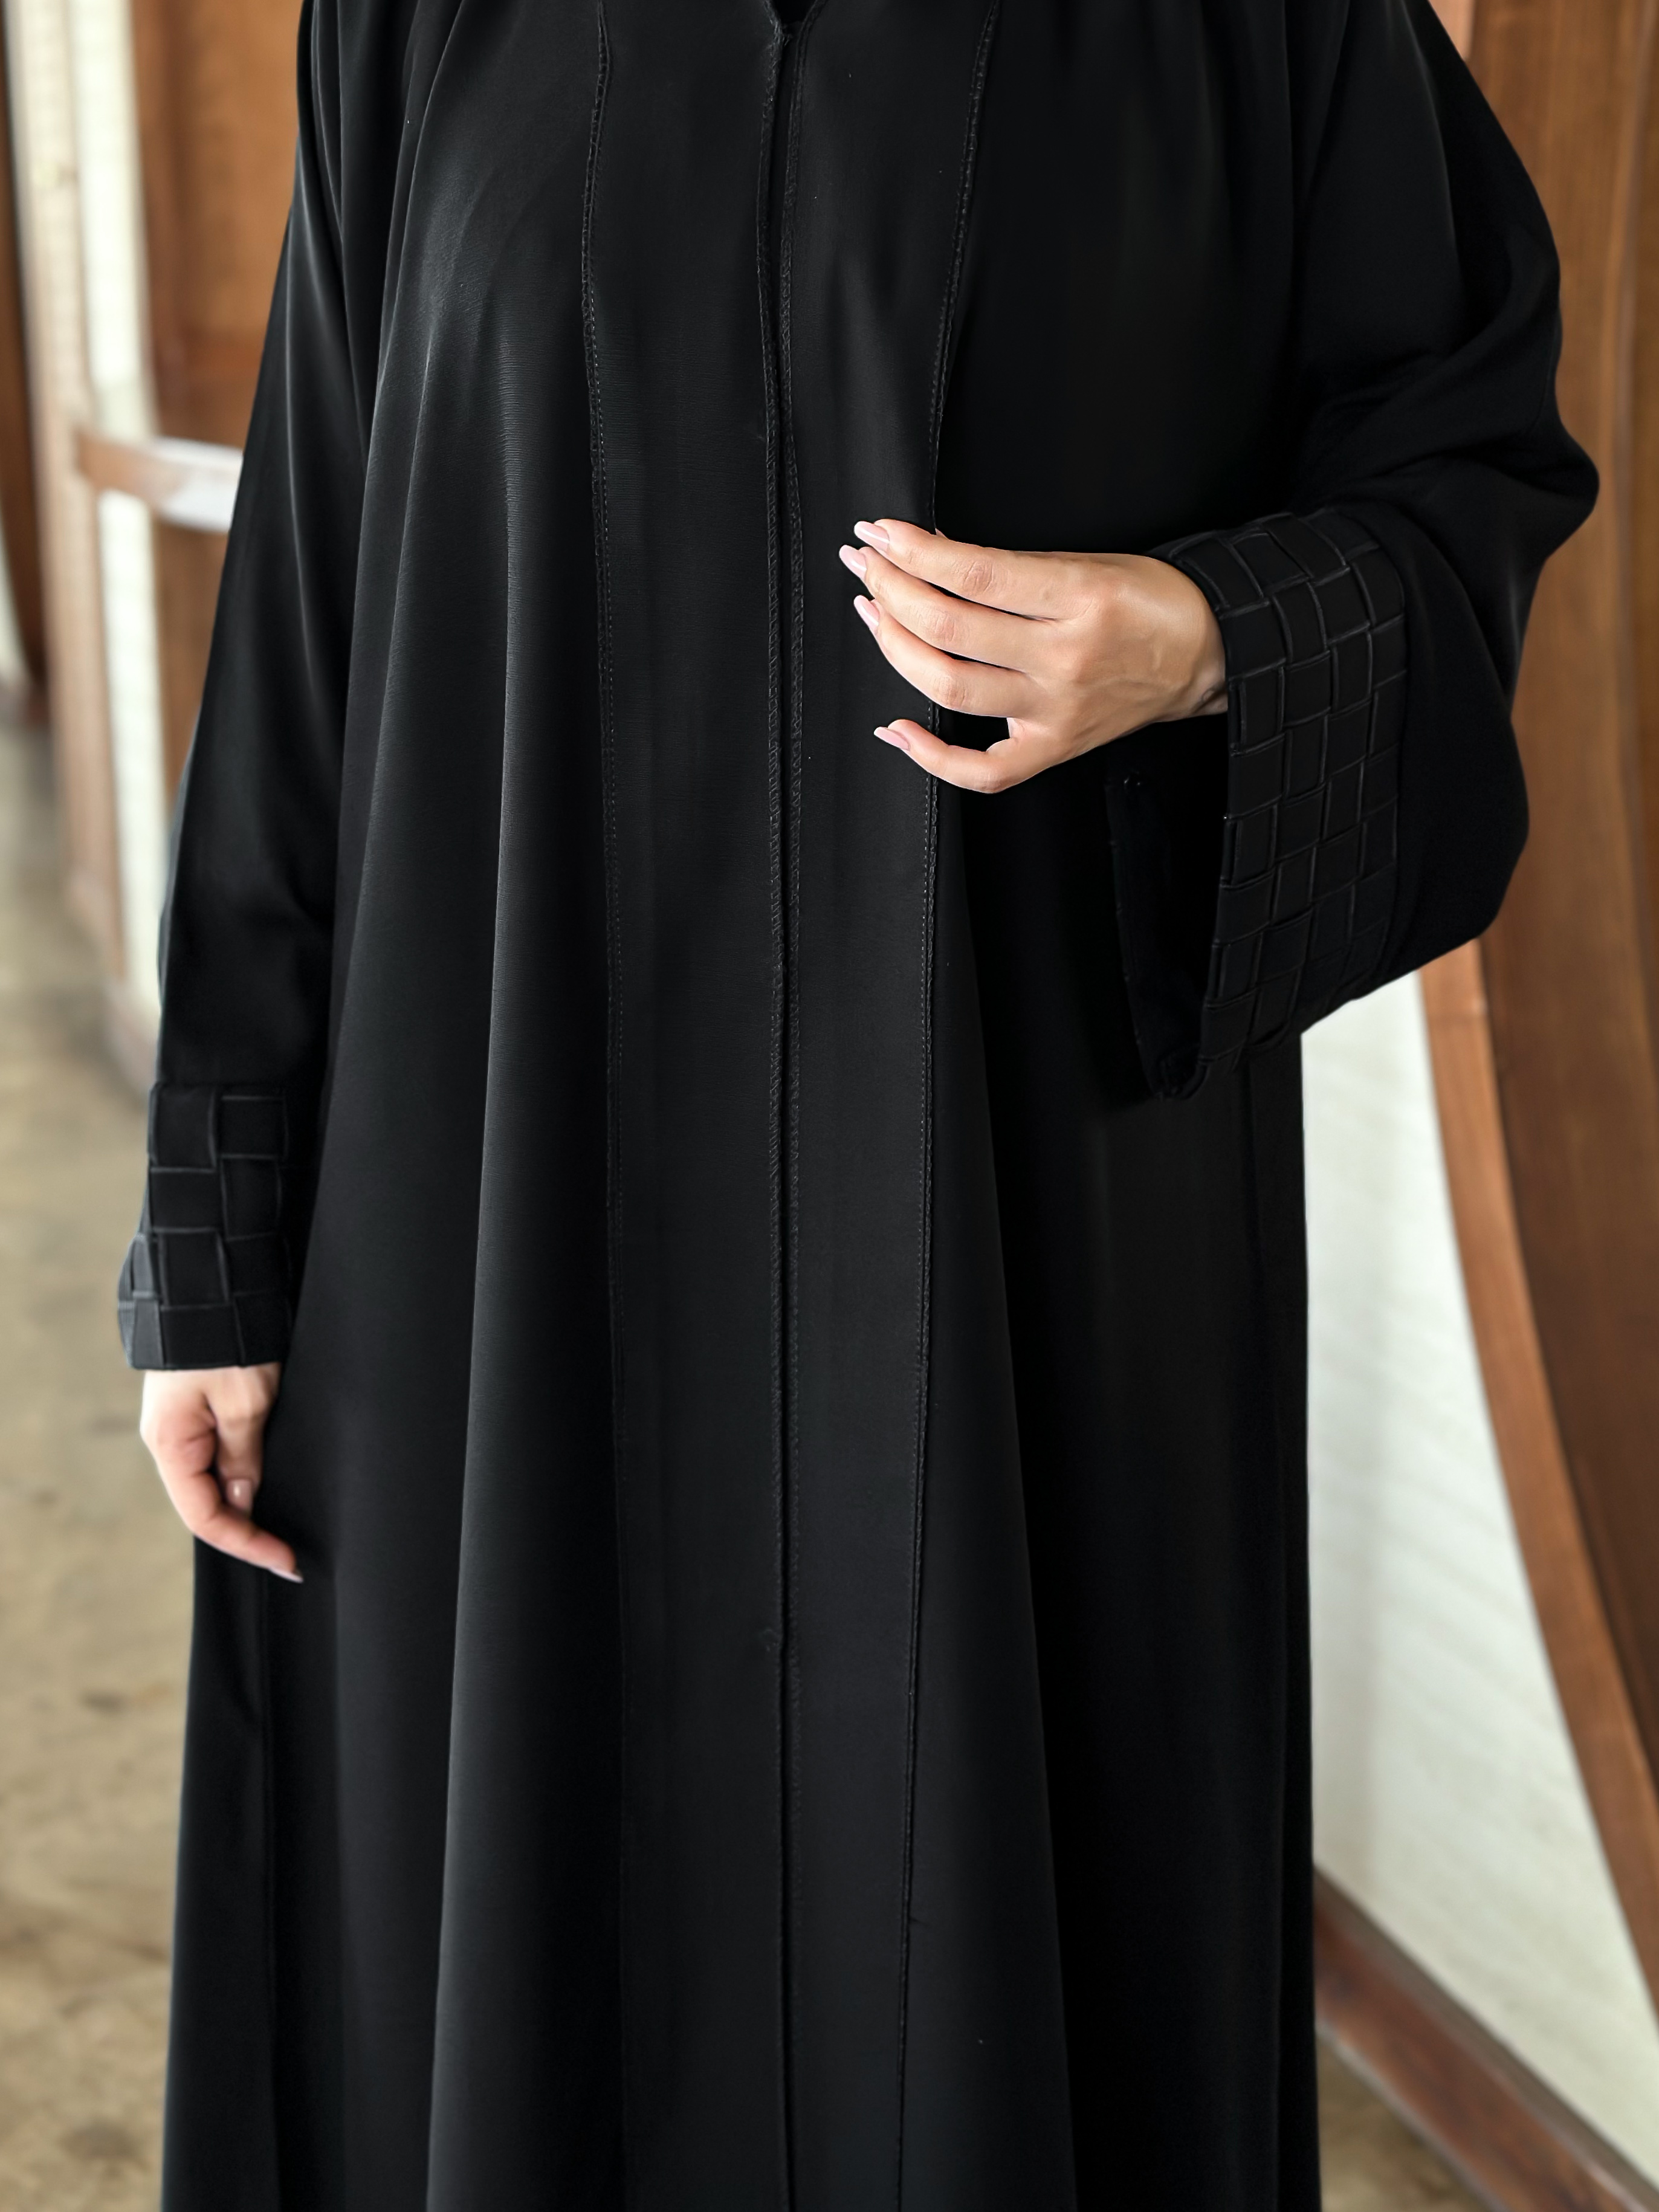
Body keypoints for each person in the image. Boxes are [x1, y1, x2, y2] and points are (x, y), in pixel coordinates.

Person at [121, 0, 1594, 2204]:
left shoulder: (1251, 31)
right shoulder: (417, 24)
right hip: (496, 1210)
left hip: (1023, 1239)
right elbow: (308, 623)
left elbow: (1468, 468)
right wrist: (221, 1231)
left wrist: (1197, 634)